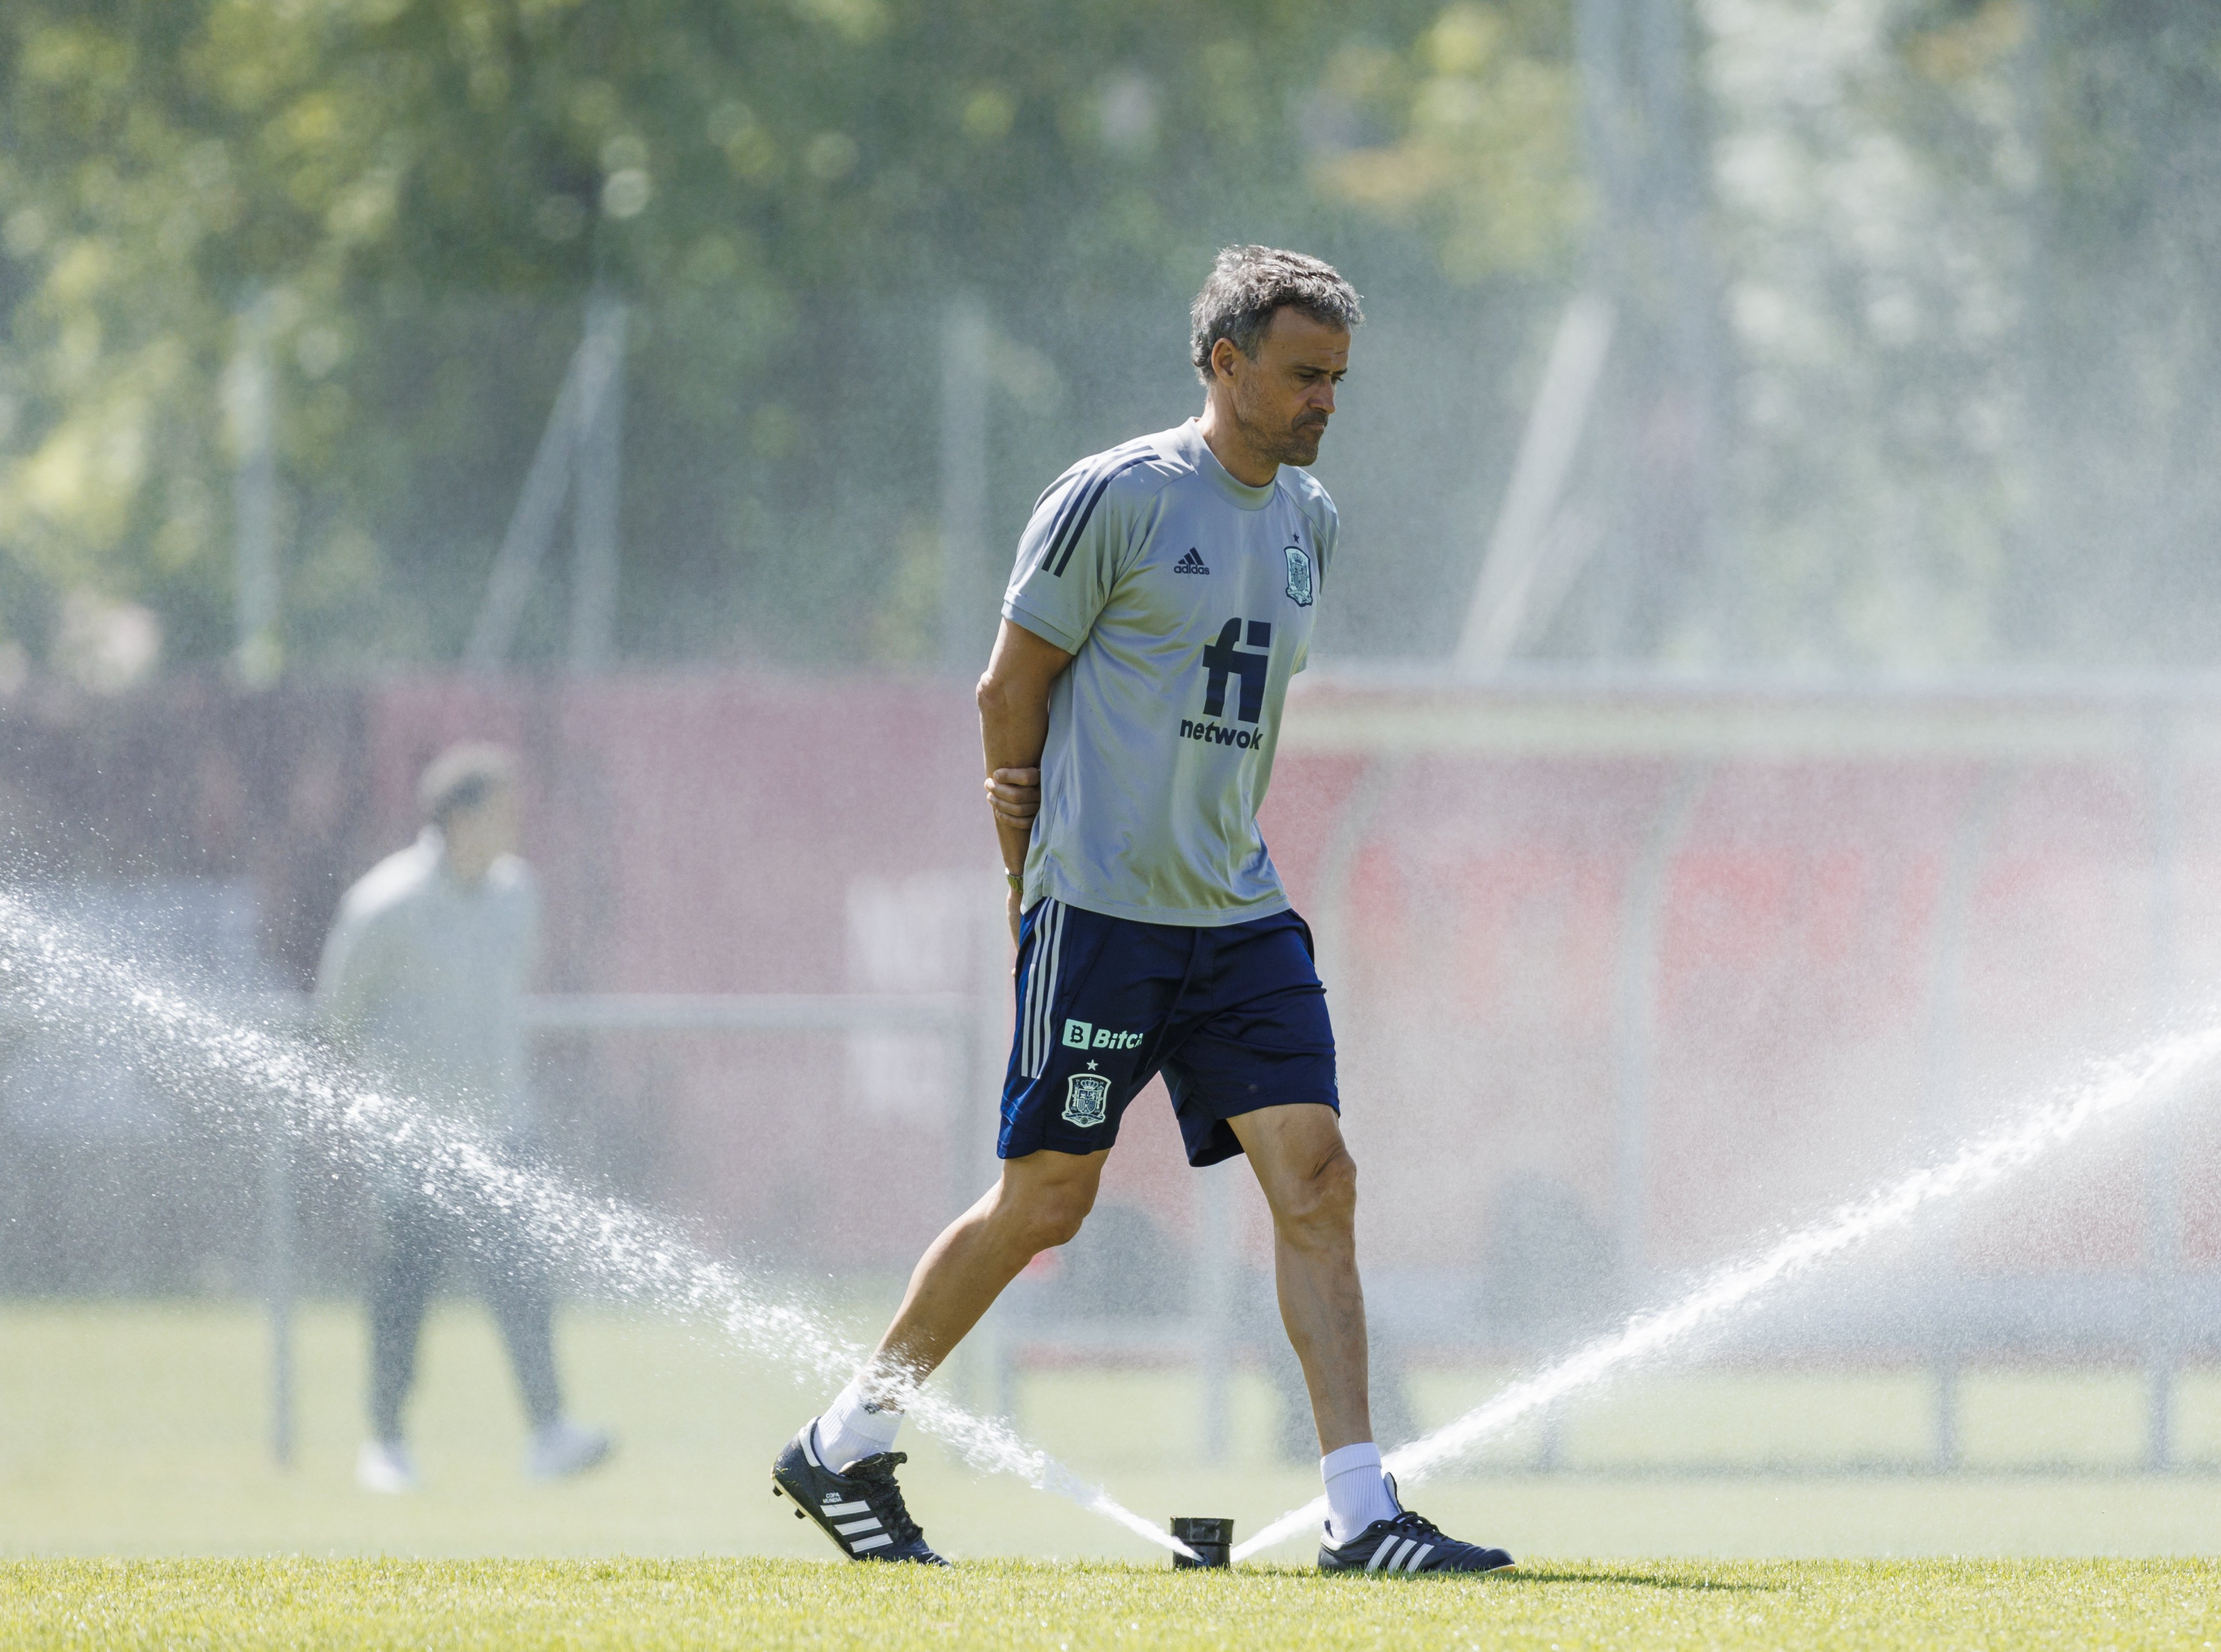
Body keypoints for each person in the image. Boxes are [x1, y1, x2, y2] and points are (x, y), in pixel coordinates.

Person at [770, 245, 1513, 1573]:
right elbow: (1009, 697)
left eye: (1337, 380)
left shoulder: (1310, 521)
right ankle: (844, 1441)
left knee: (1319, 1179)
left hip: (1236, 912)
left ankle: (1361, 1512)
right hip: (1101, 913)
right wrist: (1026, 882)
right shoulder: (1112, 496)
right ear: (1222, 363)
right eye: (1301, 376)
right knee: (1046, 1201)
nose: (1323, 404)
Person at [316, 741, 611, 1492]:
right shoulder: (386, 904)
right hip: (412, 1146)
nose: (515, 824)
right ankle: (385, 1443)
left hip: (503, 1131)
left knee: (524, 1287)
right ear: (456, 817)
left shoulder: (519, 894)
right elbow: (339, 1014)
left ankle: (550, 1431)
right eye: (500, 810)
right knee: (402, 1296)